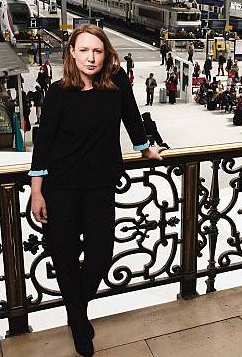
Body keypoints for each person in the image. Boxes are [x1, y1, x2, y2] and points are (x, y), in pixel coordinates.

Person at [29, 24, 165, 357]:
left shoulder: (116, 83)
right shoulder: (59, 93)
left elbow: (132, 118)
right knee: (64, 259)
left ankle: (75, 310)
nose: (91, 58)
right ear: (72, 53)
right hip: (61, 188)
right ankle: (79, 322)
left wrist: (146, 148)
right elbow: (43, 145)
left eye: (98, 51)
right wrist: (37, 192)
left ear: (106, 54)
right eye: (84, 50)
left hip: (100, 186)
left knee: (101, 255)